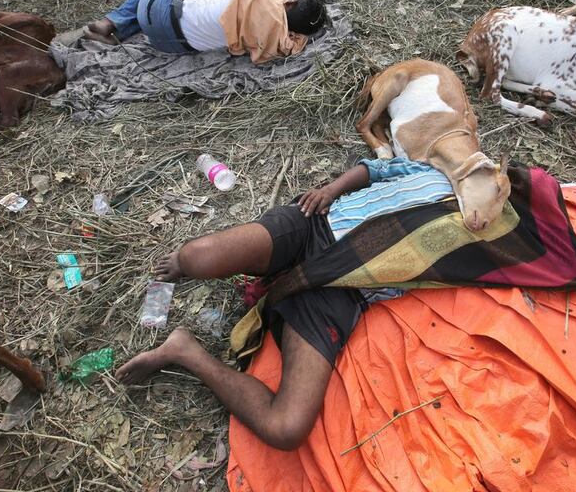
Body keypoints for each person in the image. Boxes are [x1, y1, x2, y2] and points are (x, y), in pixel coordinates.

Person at [117, 157, 456, 450]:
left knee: (287, 427)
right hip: (316, 222)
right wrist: (330, 190)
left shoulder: (486, 243)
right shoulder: (440, 171)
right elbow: (372, 170)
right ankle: (205, 263)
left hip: (340, 285)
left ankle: (184, 351)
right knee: (195, 257)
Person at [84, 0, 327, 61]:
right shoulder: (277, 44)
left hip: (160, 13)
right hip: (172, 47)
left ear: (291, 0)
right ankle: (120, 32)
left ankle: (111, 22)